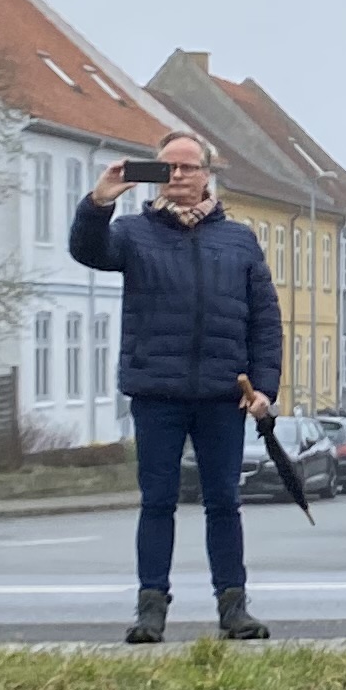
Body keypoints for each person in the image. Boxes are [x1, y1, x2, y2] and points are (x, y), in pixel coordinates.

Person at [70, 133, 286, 645]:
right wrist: (99, 202)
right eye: (169, 167)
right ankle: (151, 608)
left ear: (207, 174)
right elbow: (88, 250)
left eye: (189, 167)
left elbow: (264, 319)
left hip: (223, 393)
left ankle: (233, 607)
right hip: (156, 390)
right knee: (157, 502)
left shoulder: (238, 240)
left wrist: (264, 387)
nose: (179, 175)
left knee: (224, 503)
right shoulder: (132, 233)